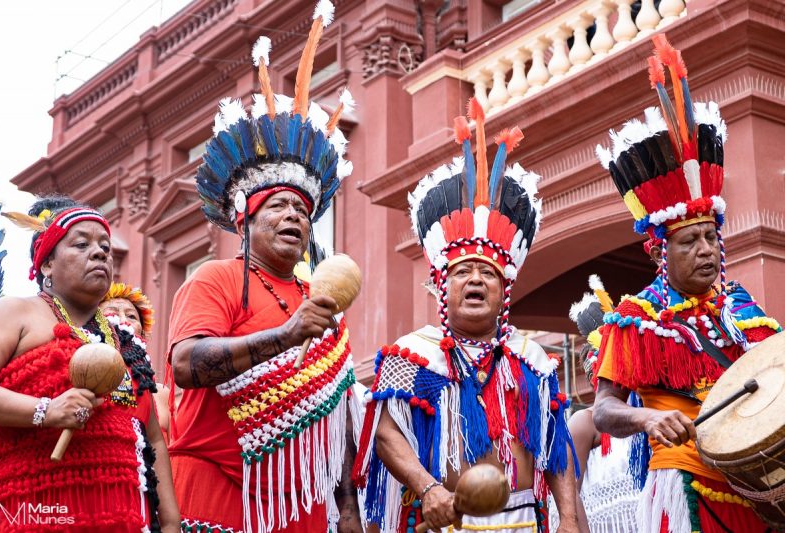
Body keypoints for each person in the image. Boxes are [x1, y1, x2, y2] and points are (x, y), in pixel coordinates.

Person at [166, 2, 361, 531]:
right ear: (246, 220)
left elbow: (335, 411)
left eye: (303, 210)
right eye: (279, 205)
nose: (295, 215)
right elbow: (186, 365)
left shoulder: (319, 300)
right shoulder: (214, 278)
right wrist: (284, 336)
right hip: (217, 494)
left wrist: (348, 510)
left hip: (302, 507)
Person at [353, 98, 579, 533]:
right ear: (444, 285)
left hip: (524, 522)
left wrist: (568, 519)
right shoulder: (412, 355)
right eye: (462, 272)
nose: (475, 280)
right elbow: (383, 432)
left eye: (486, 273)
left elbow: (555, 446)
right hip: (442, 520)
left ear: (503, 289)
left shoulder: (531, 359)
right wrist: (427, 488)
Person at [591, 35, 781, 532]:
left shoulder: (743, 308)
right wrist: (647, 420)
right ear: (660, 251)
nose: (706, 249)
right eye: (690, 241)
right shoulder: (636, 319)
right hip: (686, 483)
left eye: (710, 237)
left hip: (757, 485)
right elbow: (604, 410)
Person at [0, 195, 179, 532]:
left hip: (123, 516)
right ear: (47, 264)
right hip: (32, 511)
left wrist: (172, 524)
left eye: (105, 245)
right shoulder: (15, 312)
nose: (101, 252)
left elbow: (153, 439)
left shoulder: (128, 344)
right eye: (81, 244)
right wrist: (45, 410)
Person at [550, 276, 640, 533]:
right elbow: (568, 490)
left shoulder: (649, 411)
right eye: (602, 376)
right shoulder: (585, 422)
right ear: (592, 381)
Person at [100, 282, 174, 440]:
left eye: (131, 316)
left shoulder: (161, 394)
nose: (123, 321)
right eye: (110, 313)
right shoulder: (81, 376)